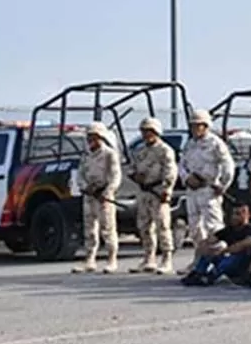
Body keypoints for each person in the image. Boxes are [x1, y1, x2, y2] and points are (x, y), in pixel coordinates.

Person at [178, 109, 235, 275]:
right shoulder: (190, 144)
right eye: (193, 125)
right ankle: (199, 261)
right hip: (192, 191)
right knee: (195, 228)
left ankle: (221, 261)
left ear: (206, 126)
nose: (195, 128)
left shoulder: (215, 143)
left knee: (214, 227)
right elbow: (182, 164)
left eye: (198, 125)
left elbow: (227, 165)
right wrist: (186, 178)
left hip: (209, 190)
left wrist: (222, 184)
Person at [127, 117, 178, 274]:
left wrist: (166, 190)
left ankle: (167, 259)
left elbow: (170, 172)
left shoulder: (165, 150)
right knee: (144, 226)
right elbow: (131, 168)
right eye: (144, 131)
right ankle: (149, 258)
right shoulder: (139, 151)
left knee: (162, 225)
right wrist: (135, 176)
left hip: (158, 191)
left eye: (149, 131)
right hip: (144, 192)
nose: (146, 134)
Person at [72, 122, 121, 274]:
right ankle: (89, 260)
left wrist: (107, 192)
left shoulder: (109, 154)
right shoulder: (86, 155)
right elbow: (80, 174)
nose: (91, 140)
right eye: (89, 137)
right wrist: (85, 186)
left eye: (95, 137)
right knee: (90, 229)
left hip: (103, 196)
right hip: (89, 196)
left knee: (108, 229)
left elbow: (115, 176)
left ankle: (111, 259)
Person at [181, 204, 251, 286]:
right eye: (233, 214)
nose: (234, 217)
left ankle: (210, 277)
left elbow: (243, 244)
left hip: (243, 265)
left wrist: (223, 251)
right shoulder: (229, 230)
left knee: (232, 258)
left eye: (238, 214)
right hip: (229, 261)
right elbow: (211, 240)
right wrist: (206, 248)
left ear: (248, 215)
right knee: (209, 254)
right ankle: (198, 273)